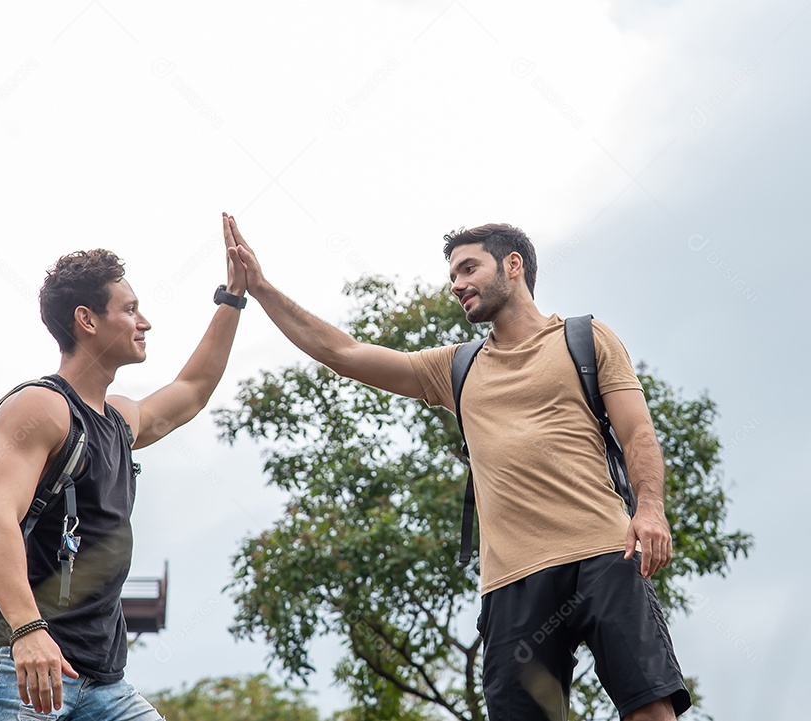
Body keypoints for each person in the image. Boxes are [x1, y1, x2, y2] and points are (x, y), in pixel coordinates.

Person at [226, 217, 692, 720]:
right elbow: (345, 353)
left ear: (513, 267)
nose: (457, 284)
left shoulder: (586, 338)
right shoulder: (457, 367)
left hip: (603, 552)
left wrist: (650, 508)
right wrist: (262, 289)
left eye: (469, 268)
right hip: (511, 580)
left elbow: (637, 432)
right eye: (453, 275)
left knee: (650, 709)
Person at [0, 214, 250, 720]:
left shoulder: (118, 419)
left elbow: (193, 390)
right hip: (20, 669)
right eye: (131, 309)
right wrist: (28, 633)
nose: (145, 322)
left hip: (102, 682)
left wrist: (232, 298)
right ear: (87, 320)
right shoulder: (41, 408)